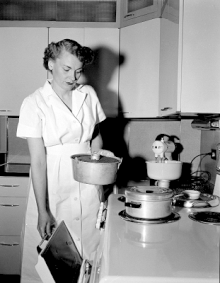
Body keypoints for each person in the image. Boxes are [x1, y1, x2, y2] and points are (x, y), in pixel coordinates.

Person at [17, 38, 114, 283]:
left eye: (79, 71)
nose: (73, 77)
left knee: (90, 254)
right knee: (54, 261)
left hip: (87, 180)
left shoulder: (88, 94)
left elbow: (95, 139)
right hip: (52, 182)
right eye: (67, 69)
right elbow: (38, 161)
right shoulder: (33, 103)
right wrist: (43, 211)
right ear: (50, 64)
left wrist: (100, 183)